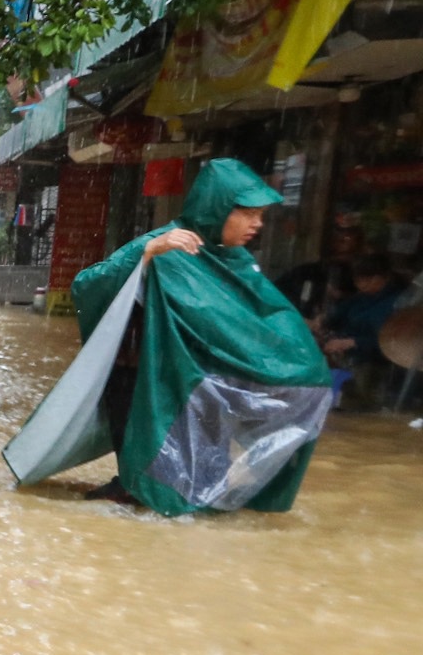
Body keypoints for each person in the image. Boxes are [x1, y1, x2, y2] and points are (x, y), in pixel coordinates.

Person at [61, 157, 329, 514]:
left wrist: (304, 369)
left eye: (261, 216)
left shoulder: (236, 261)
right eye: (249, 213)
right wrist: (146, 255)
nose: (257, 224)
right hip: (144, 375)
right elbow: (87, 285)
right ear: (219, 209)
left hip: (203, 379)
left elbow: (265, 321)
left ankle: (181, 500)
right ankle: (138, 491)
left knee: (203, 474)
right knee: (148, 469)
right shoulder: (163, 244)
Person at [319, 252, 403, 376]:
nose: (359, 284)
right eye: (357, 280)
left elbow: (392, 344)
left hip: (372, 367)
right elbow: (338, 314)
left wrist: (352, 342)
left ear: (379, 278)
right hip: (343, 355)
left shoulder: (397, 304)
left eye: (363, 280)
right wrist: (323, 320)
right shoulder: (361, 297)